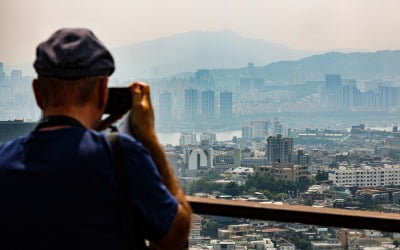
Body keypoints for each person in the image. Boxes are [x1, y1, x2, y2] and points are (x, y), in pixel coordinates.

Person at [0, 28, 192, 249]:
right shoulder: (119, 155)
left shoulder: (4, 160)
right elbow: (176, 235)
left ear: (37, 93)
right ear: (103, 90)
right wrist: (149, 138)